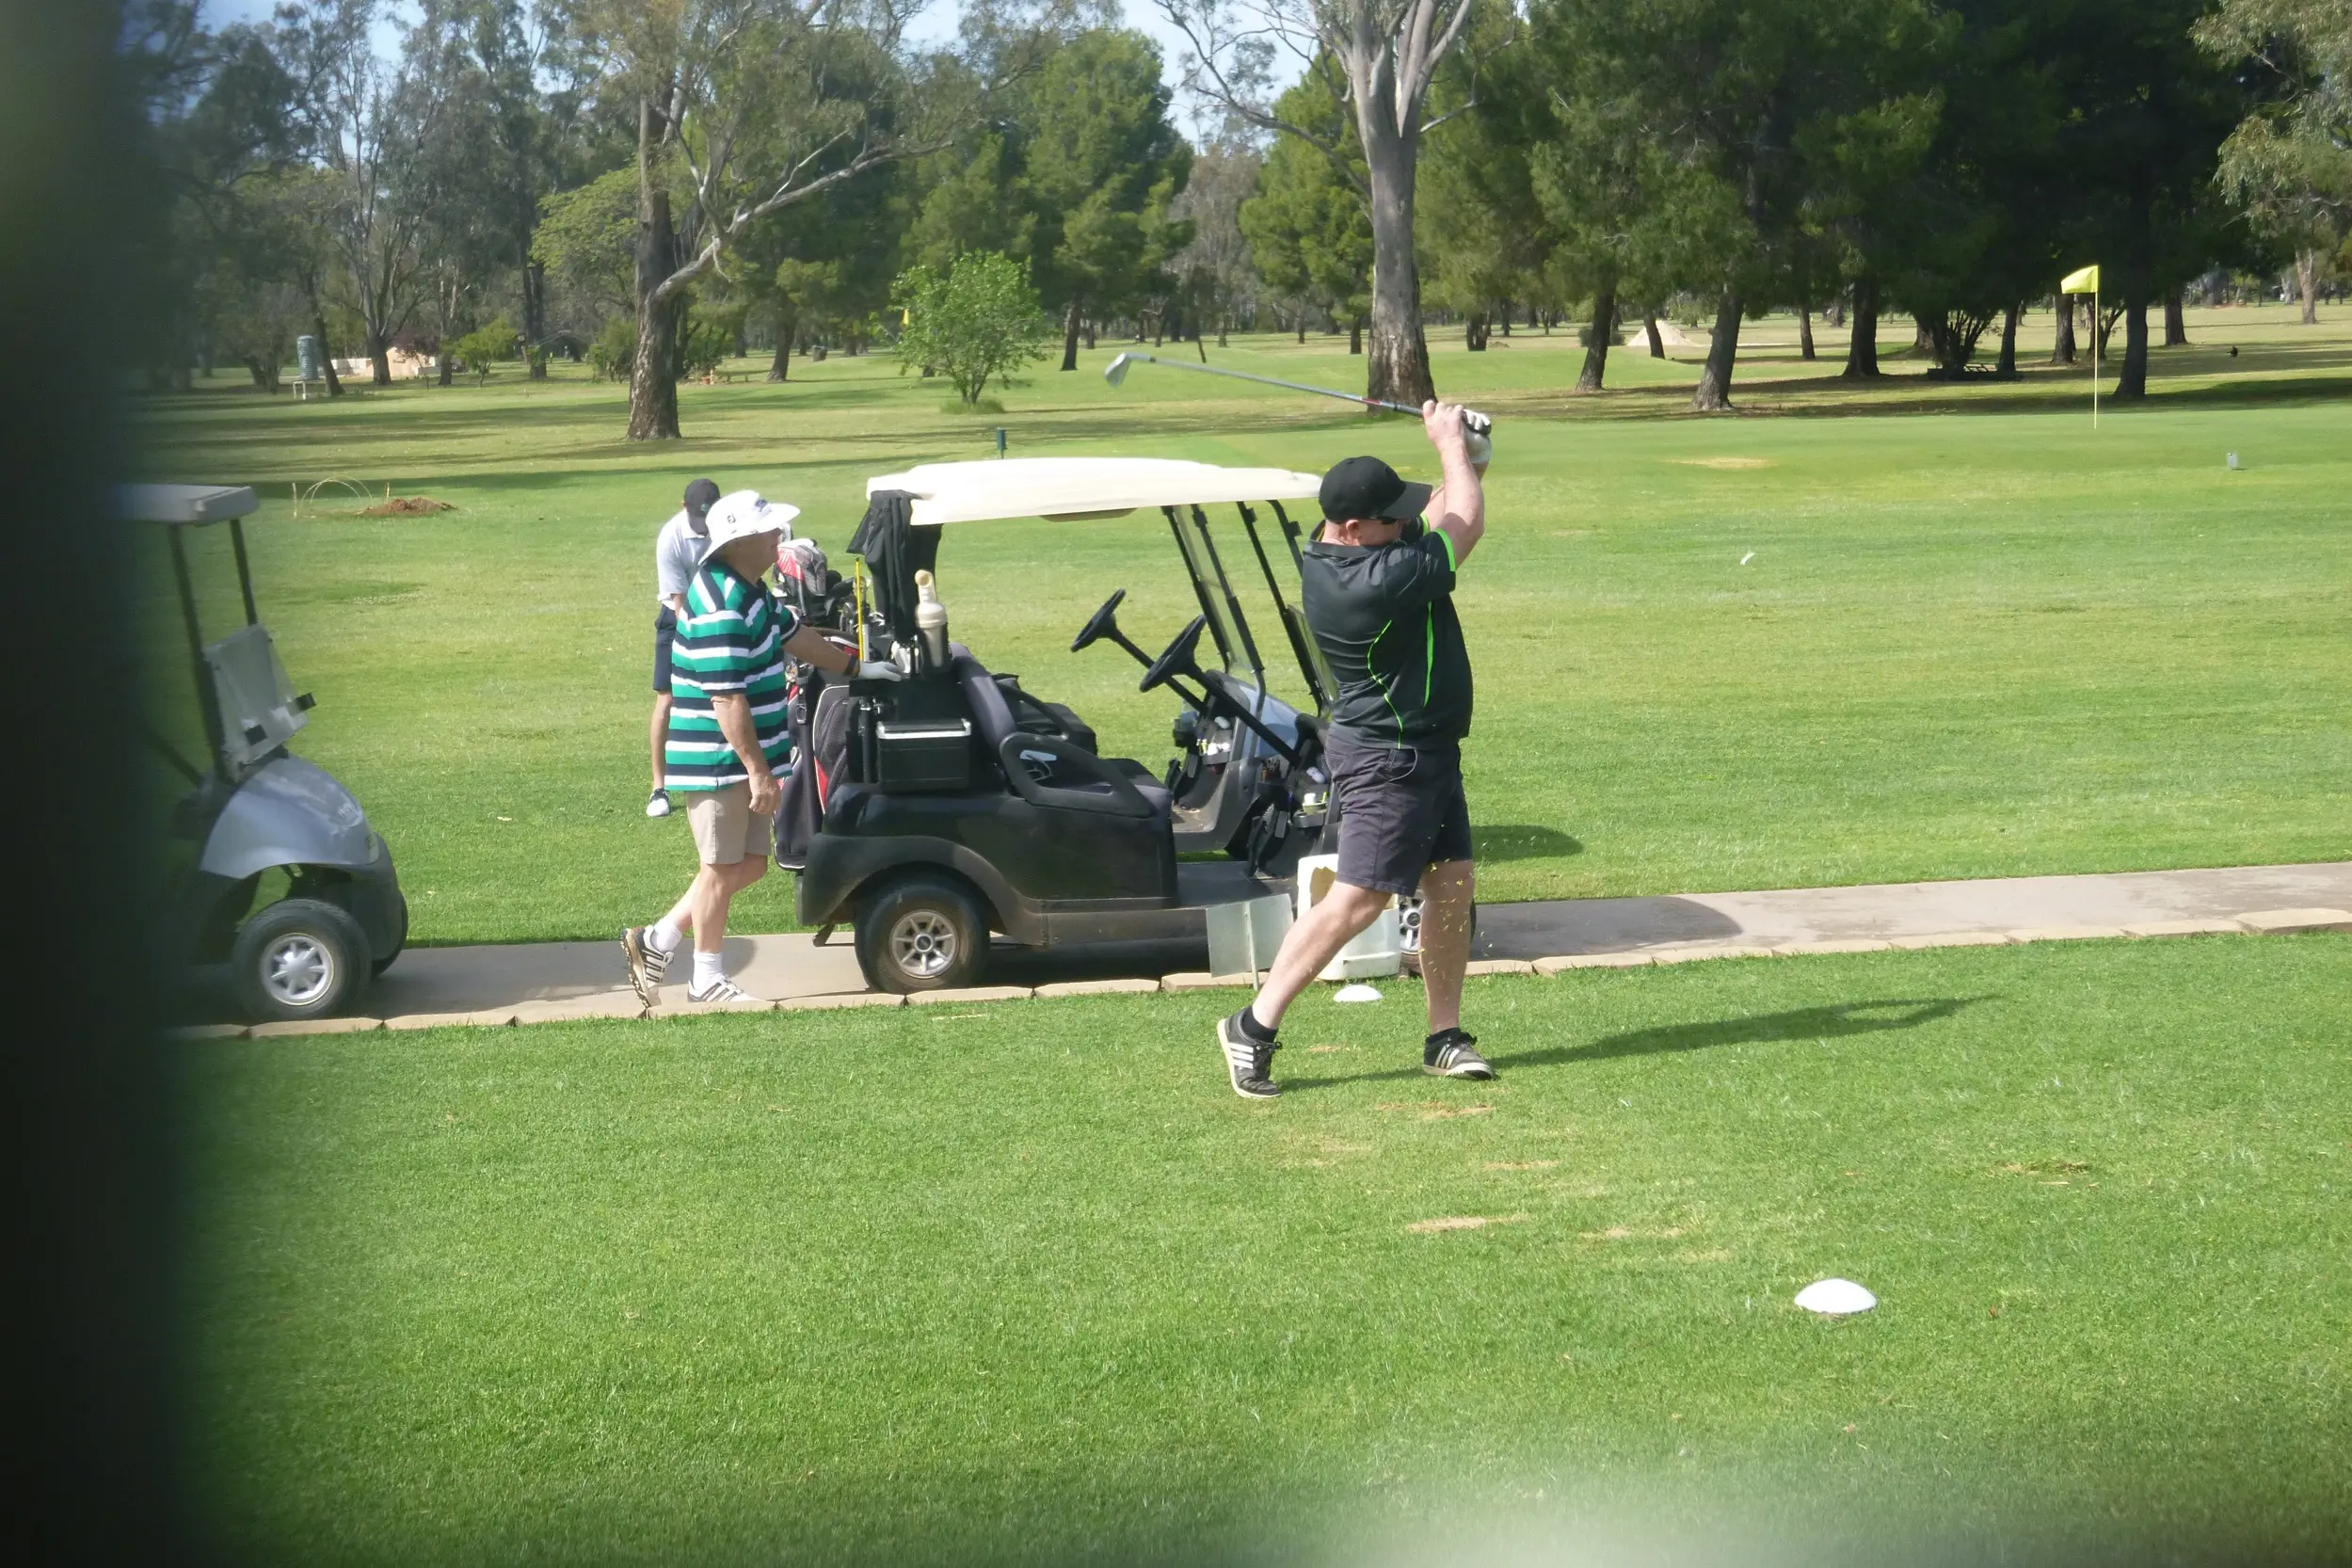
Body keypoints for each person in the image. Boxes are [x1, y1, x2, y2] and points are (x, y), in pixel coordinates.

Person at [1213, 402, 1494, 1098]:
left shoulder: (1352, 547)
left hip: (1427, 749)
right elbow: (1462, 520)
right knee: (1358, 900)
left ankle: (1443, 1035)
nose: (1405, 523)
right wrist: (1451, 451)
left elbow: (1438, 504)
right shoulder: (1371, 583)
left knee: (1450, 887)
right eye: (1390, 518)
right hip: (1386, 758)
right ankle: (1251, 1027)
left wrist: (1467, 453)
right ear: (1351, 527)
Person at [620, 491, 901, 1005]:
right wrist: (758, 772)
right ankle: (705, 978)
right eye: (771, 531)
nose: (779, 538)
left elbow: (799, 638)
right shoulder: (723, 605)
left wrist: (860, 667)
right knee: (720, 870)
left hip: (741, 760)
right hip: (719, 761)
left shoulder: (750, 590)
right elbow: (726, 699)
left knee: (747, 867)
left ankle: (656, 939)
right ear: (742, 540)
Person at [647, 477, 724, 818]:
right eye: (698, 519)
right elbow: (678, 602)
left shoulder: (726, 528)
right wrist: (698, 641)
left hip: (720, 613)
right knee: (667, 698)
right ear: (684, 508)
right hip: (678, 617)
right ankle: (658, 788)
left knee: (727, 692)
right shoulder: (671, 537)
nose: (704, 526)